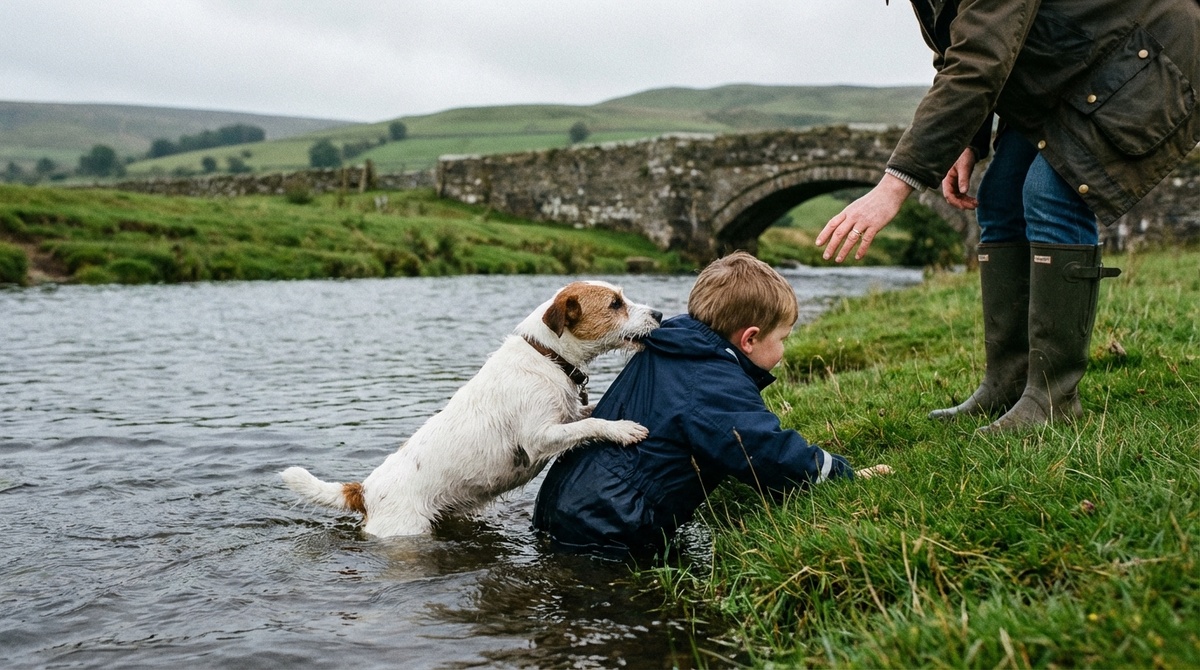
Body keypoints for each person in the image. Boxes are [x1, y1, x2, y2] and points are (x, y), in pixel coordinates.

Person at [817, 0, 1200, 432]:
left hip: (1147, 54)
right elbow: (959, 53)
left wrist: (893, 186)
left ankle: (1053, 399)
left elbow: (980, 62)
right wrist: (969, 140)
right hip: (1072, 68)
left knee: (1051, 193)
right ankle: (1009, 381)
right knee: (999, 196)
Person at [533, 252, 889, 555]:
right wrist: (842, 475)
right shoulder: (712, 381)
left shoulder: (676, 342)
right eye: (783, 338)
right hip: (608, 526)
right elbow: (765, 451)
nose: (783, 349)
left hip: (561, 502)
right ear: (749, 339)